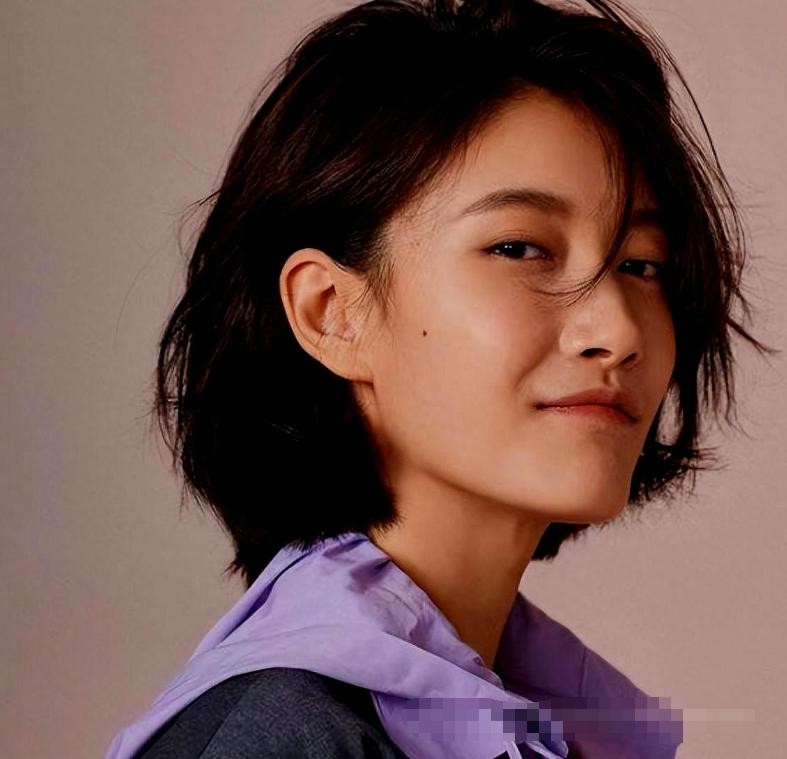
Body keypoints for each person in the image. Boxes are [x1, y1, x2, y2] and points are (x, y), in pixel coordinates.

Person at [104, 0, 774, 757]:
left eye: (641, 264)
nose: (618, 332)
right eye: (519, 248)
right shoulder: (283, 735)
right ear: (331, 313)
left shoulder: (558, 718)